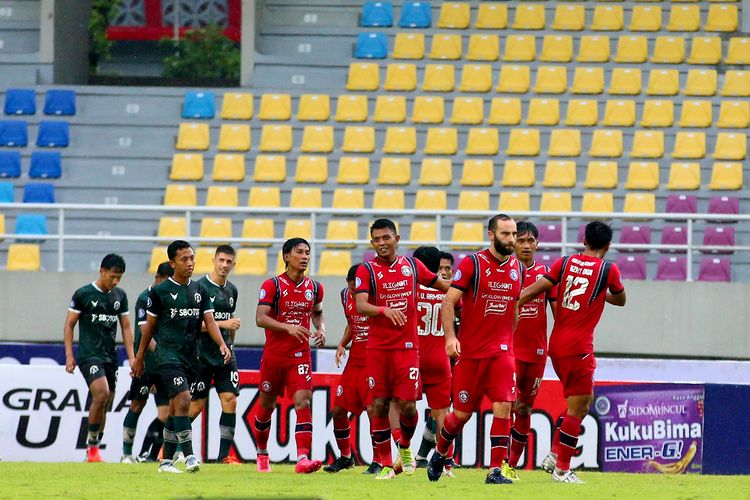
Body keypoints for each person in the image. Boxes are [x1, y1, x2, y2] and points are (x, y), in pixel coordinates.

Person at [518, 221, 626, 483]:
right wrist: (602, 293)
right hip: (579, 348)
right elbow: (621, 300)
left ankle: (555, 455)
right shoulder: (608, 270)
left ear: (584, 240)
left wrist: (514, 303)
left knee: (585, 399)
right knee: (578, 409)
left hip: (556, 345)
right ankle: (562, 468)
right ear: (608, 245)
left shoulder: (564, 264)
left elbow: (535, 289)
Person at [427, 214, 524, 485]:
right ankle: (440, 452)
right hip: (471, 354)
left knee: (504, 406)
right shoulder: (473, 264)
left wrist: (509, 338)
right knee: (460, 415)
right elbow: (448, 303)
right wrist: (450, 337)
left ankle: (496, 470)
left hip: (503, 353)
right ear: (491, 235)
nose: (511, 240)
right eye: (506, 234)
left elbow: (515, 306)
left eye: (514, 234)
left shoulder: (518, 268)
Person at [355, 219, 449, 480]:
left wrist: (467, 293)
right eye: (377, 239)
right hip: (377, 348)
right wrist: (384, 310)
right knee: (379, 405)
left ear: (397, 238)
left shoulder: (411, 265)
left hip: (407, 348)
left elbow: (443, 286)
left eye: (387, 237)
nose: (382, 243)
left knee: (408, 406)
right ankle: (386, 465)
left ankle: (405, 447)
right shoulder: (367, 270)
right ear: (372, 243)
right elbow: (361, 304)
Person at [132, 240, 231, 474]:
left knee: (178, 408)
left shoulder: (200, 290)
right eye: (184, 259)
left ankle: (165, 462)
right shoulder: (159, 292)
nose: (190, 263)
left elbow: (210, 321)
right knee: (185, 400)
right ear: (172, 263)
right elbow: (149, 329)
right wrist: (139, 357)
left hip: (191, 358)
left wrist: (221, 344)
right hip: (167, 356)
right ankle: (189, 456)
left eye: (192, 258)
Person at [253, 237, 326, 474]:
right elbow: (260, 318)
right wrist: (289, 327)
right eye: (299, 252)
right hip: (274, 356)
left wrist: (320, 328)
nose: (305, 257)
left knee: (304, 401)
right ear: (286, 257)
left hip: (300, 356)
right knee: (266, 406)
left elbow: (317, 311)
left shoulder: (315, 288)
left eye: (307, 253)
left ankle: (302, 458)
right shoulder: (272, 285)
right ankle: (262, 454)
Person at [64, 253, 135, 463]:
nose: (115, 281)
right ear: (102, 271)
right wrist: (69, 355)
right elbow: (70, 324)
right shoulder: (83, 294)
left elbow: (126, 327)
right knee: (102, 393)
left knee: (106, 401)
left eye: (119, 278)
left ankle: (92, 448)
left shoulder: (120, 296)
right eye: (112, 276)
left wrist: (132, 358)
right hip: (89, 355)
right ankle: (93, 448)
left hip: (109, 356)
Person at [507, 221, 558, 478]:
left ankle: (511, 465)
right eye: (521, 241)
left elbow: (558, 314)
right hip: (508, 351)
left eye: (531, 241)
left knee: (525, 408)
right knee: (507, 404)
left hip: (537, 352)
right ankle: (498, 462)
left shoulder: (547, 274)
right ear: (513, 242)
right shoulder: (505, 271)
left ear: (537, 244)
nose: (526, 246)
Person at [324, 264, 380, 474]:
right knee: (338, 410)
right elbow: (352, 324)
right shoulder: (344, 295)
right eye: (351, 288)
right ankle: (346, 457)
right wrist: (342, 343)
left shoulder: (376, 296)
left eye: (358, 288)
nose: (355, 293)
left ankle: (378, 460)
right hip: (354, 360)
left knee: (372, 411)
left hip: (373, 359)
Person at [189, 244, 241, 464]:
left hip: (224, 355)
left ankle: (223, 456)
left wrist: (230, 344)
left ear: (233, 264)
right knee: (195, 406)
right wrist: (224, 323)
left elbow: (231, 328)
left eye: (229, 262)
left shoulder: (232, 291)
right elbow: (193, 323)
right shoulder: (199, 288)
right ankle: (167, 448)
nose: (224, 265)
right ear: (213, 260)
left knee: (230, 401)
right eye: (221, 260)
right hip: (200, 355)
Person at [121, 262, 173, 463]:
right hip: (147, 363)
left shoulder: (169, 297)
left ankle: (148, 455)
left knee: (166, 413)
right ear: (158, 278)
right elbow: (145, 331)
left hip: (164, 364)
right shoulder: (145, 299)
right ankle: (126, 453)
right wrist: (161, 353)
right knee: (136, 405)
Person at [412, 247, 456, 477]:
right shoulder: (448, 292)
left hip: (414, 357)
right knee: (443, 415)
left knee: (404, 408)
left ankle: (403, 456)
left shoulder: (409, 289)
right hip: (441, 358)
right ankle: (446, 464)